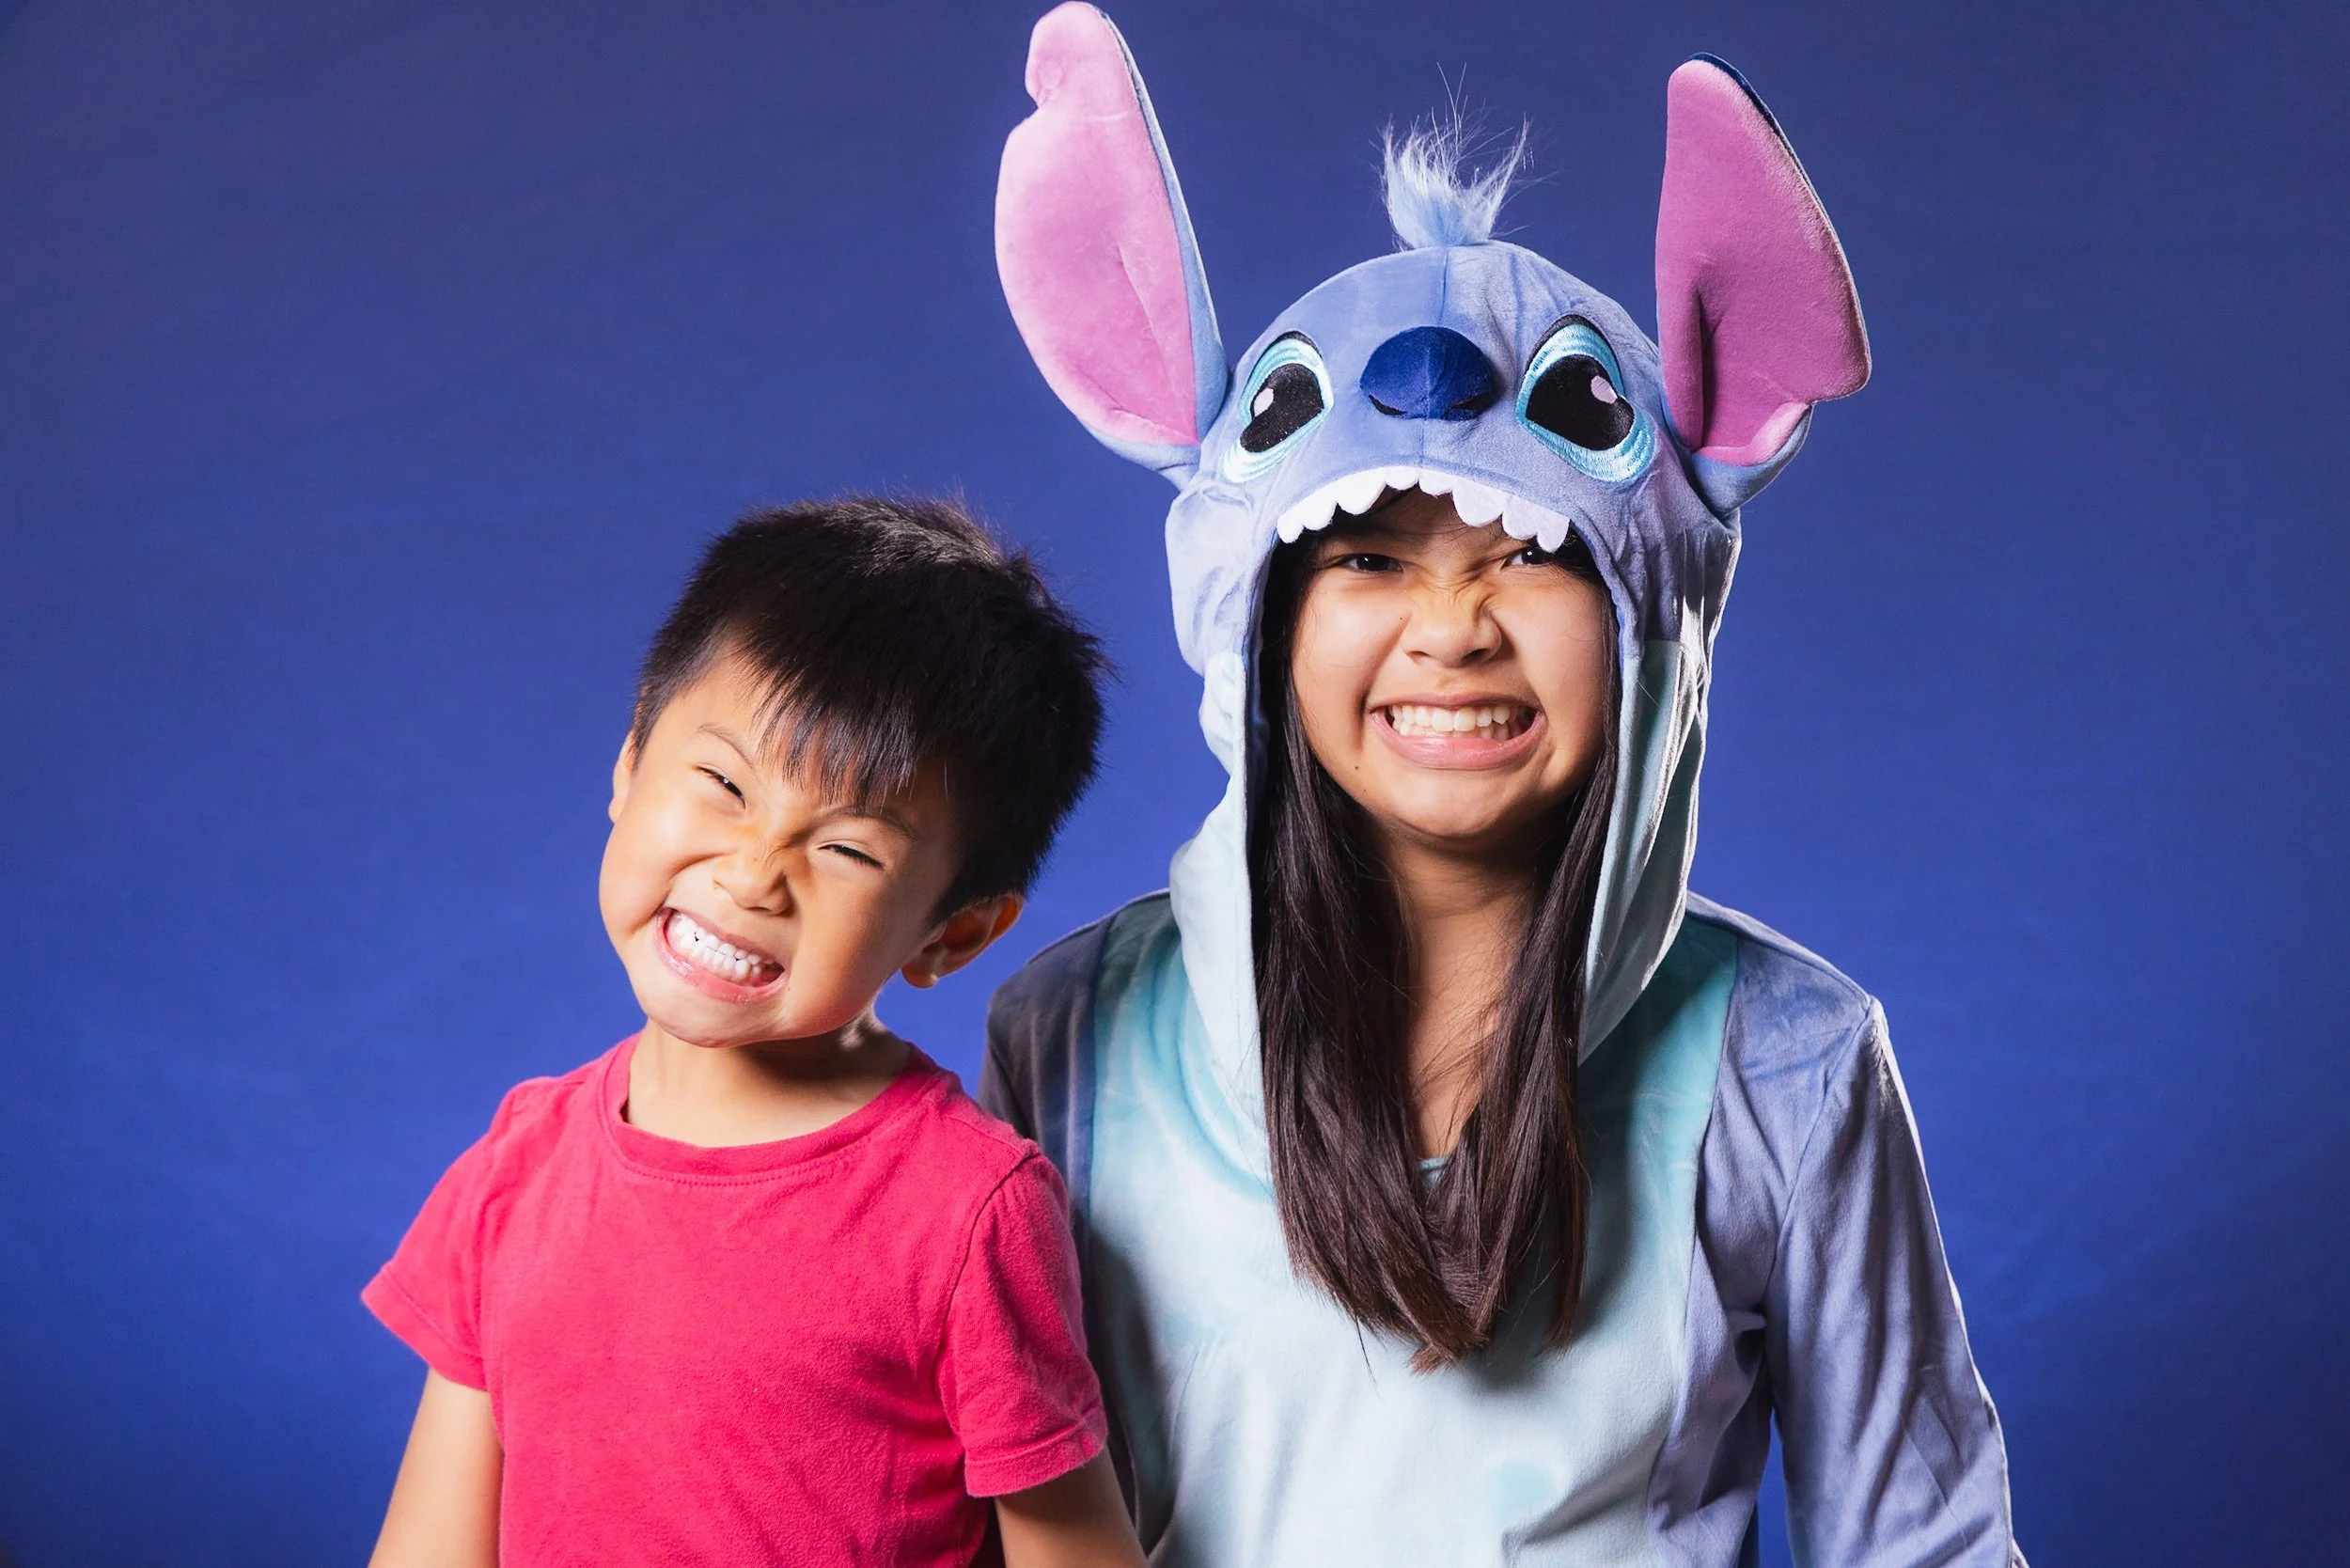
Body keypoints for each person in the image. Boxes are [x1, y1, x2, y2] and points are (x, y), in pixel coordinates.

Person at [983, 8, 2025, 1564]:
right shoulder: (1072, 1038)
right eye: (1367, 557)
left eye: (1532, 555)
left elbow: (1924, 1539)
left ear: (1647, 613)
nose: (1453, 626)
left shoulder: (1789, 1065)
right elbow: (980, 1500)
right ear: (1257, 622)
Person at [364, 497, 1145, 1567]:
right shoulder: (518, 1168)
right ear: (630, 762)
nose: (752, 874)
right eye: (724, 784)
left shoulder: (969, 1213)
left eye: (849, 851)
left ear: (954, 933)